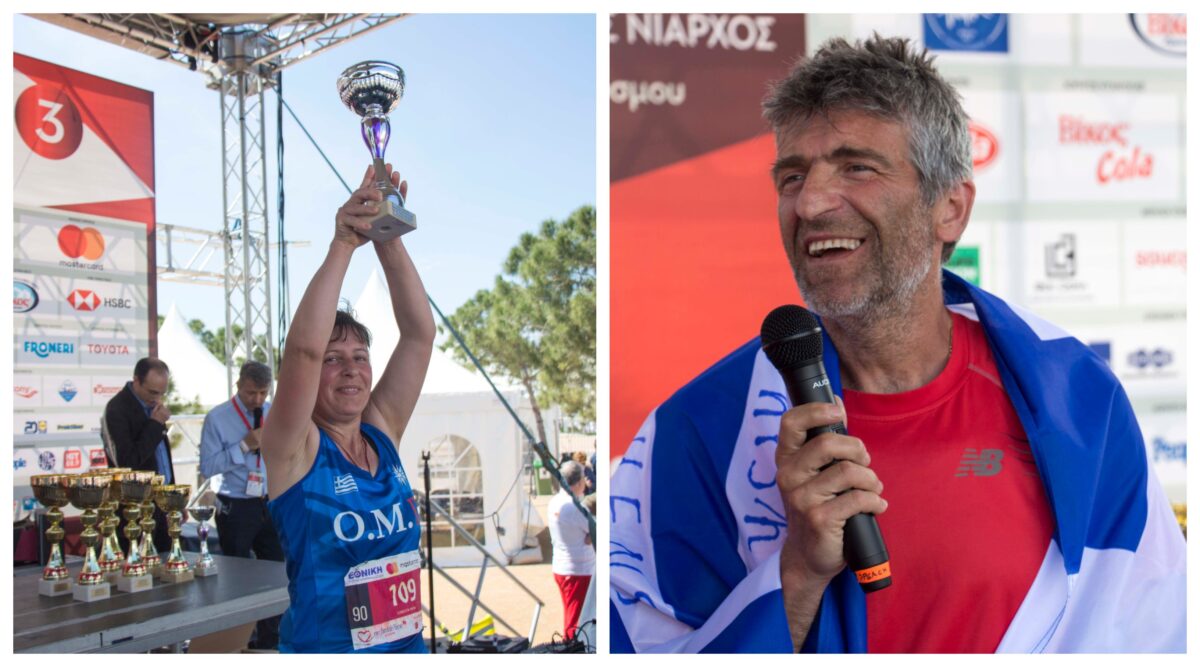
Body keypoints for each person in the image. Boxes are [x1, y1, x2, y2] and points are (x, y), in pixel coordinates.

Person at [609, 35, 1185, 653]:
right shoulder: (696, 430)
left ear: (950, 209)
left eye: (857, 167)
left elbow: (1153, 626)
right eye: (792, 176)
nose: (811, 202)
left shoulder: (1076, 395)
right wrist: (797, 576)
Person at [261, 164, 434, 653]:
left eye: (360, 357)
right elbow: (302, 352)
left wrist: (386, 232)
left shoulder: (382, 430)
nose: (351, 370)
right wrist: (344, 242)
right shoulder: (294, 448)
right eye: (333, 360)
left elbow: (419, 335)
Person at [198, 360, 284, 649]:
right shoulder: (218, 418)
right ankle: (238, 640)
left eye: (263, 392)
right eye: (251, 393)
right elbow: (208, 466)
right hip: (235, 504)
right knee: (237, 575)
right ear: (238, 386)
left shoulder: (274, 413)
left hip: (270, 500)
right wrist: (244, 445)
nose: (257, 399)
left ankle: (271, 641)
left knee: (276, 571)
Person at [101, 357, 174, 552]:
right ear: (136, 381)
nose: (157, 398)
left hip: (161, 502)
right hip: (135, 507)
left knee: (167, 559)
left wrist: (173, 498)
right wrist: (155, 424)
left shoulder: (153, 407)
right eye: (152, 392)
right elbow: (127, 462)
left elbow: (162, 458)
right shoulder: (117, 409)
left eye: (162, 393)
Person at [549, 460, 594, 640]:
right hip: (578, 570)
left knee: (571, 613)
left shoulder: (554, 502)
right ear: (578, 482)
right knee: (575, 621)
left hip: (563, 567)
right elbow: (594, 531)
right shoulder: (574, 507)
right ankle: (571, 648)